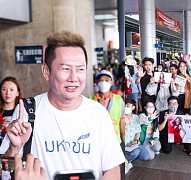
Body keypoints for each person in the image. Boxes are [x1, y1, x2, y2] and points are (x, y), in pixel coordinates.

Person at [0, 31, 124, 180]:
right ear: (46, 71)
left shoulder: (97, 113)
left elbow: (112, 170)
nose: (74, 78)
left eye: (80, 69)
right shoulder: (26, 111)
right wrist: (14, 147)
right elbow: (4, 168)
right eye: (65, 69)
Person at [89, 69, 125, 143]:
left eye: (106, 80)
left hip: (114, 140)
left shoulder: (118, 100)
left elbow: (122, 121)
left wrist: (124, 139)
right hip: (96, 141)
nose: (103, 83)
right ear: (96, 82)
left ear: (112, 82)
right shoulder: (90, 100)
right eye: (101, 80)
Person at [122, 99, 149, 173]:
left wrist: (136, 140)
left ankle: (128, 157)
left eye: (128, 106)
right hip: (125, 144)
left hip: (134, 143)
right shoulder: (121, 118)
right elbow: (121, 134)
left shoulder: (136, 117)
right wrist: (126, 125)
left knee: (146, 157)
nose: (125, 107)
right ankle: (127, 163)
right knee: (135, 152)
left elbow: (138, 132)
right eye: (124, 106)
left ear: (133, 107)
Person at [0, 77, 23, 145]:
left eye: (11, 90)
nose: (8, 93)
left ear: (17, 93)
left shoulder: (22, 112)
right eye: (4, 89)